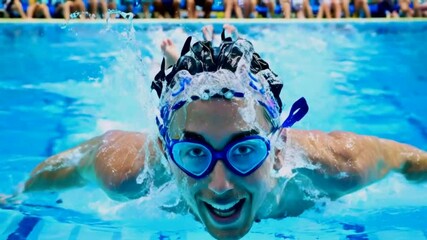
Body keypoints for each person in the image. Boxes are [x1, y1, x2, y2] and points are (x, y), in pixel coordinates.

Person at [5, 26, 427, 240]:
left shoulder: (338, 164)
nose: (220, 186)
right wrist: (14, 197)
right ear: (168, 157)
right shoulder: (129, 170)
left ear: (278, 151)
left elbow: (410, 160)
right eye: (193, 154)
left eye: (244, 151)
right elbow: (61, 167)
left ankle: (189, 60)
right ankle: (177, 61)